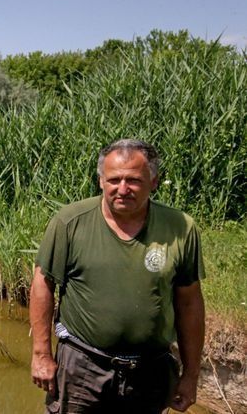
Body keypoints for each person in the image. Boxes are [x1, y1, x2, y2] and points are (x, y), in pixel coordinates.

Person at [30, 139, 205, 413]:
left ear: (154, 181)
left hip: (151, 371)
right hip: (82, 367)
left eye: (133, 180)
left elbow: (189, 303)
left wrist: (191, 375)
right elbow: (43, 284)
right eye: (114, 180)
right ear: (101, 181)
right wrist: (41, 354)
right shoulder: (70, 222)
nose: (122, 189)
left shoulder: (181, 228)